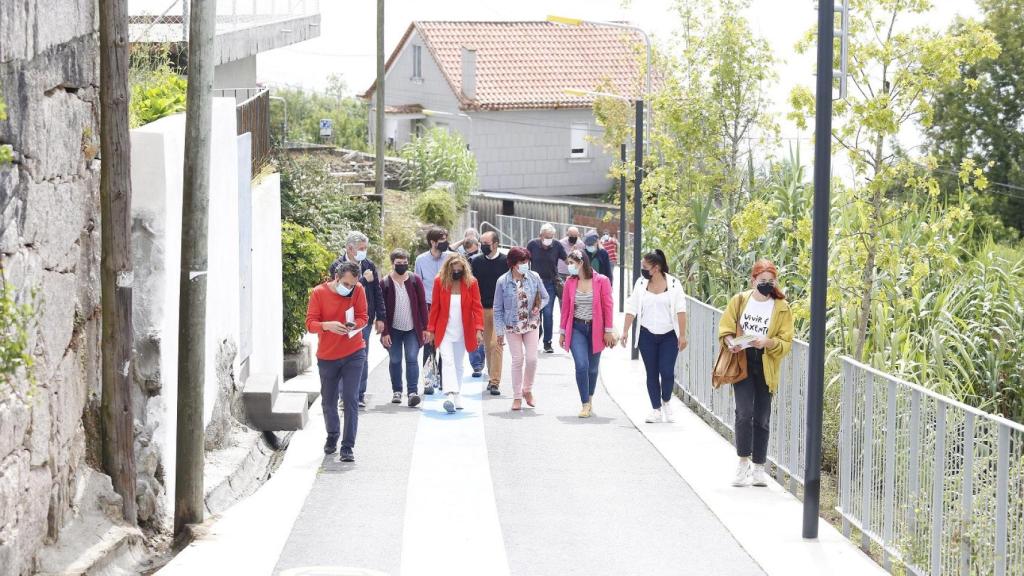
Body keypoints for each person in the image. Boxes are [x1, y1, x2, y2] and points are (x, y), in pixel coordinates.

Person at [719, 260, 794, 488]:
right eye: (763, 282)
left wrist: (768, 342)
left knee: (762, 417)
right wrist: (731, 341)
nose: (767, 285)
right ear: (753, 281)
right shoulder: (740, 301)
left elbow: (786, 342)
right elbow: (725, 328)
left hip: (766, 364)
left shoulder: (781, 307)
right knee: (744, 413)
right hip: (742, 361)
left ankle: (759, 466)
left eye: (771, 282)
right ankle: (743, 462)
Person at [305, 260, 368, 462]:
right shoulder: (319, 292)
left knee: (350, 399)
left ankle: (348, 446)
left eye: (353, 285)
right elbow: (310, 324)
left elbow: (363, 317)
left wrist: (353, 325)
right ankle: (332, 435)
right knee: (328, 401)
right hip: (327, 356)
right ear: (337, 278)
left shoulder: (358, 290)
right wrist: (327, 325)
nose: (350, 289)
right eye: (346, 284)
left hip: (354, 352)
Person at [620, 250, 688, 424]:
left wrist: (682, 335)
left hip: (669, 336)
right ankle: (656, 408)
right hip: (646, 335)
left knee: (666, 372)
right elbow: (632, 307)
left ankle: (666, 401)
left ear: (656, 268)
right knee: (651, 372)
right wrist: (625, 331)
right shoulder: (641, 283)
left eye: (645, 267)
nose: (642, 270)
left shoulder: (673, 284)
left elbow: (681, 310)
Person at [332, 231, 386, 409]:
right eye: (361, 249)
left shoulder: (369, 264)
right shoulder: (337, 266)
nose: (364, 251)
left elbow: (377, 292)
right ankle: (343, 396)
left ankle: (360, 394)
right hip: (343, 319)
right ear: (350, 248)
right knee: (343, 357)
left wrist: (381, 316)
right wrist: (363, 279)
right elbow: (342, 290)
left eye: (365, 248)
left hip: (364, 318)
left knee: (362, 357)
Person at [559, 250, 616, 418]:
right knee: (582, 365)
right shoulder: (570, 282)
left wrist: (608, 330)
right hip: (577, 328)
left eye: (572, 263)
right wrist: (562, 332)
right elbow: (565, 309)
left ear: (581, 263)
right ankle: (584, 403)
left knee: (592, 368)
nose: (569, 267)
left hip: (596, 329)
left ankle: (590, 399)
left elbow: (608, 306)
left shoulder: (602, 281)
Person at [425, 254, 484, 414]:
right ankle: (449, 395)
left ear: (464, 269)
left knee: (459, 364)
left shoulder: (472, 283)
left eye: (459, 269)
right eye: (454, 269)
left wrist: (479, 329)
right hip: (444, 330)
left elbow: (477, 307)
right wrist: (430, 329)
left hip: (464, 330)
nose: (456, 271)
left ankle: (457, 394)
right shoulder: (439, 282)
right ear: (448, 268)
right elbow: (435, 307)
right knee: (448, 361)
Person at [493, 247, 549, 411]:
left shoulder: (534, 277)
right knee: (517, 360)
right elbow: (497, 308)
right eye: (522, 262)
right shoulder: (502, 281)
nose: (525, 265)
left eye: (527, 261)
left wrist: (538, 307)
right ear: (513, 264)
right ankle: (517, 396)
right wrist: (499, 332)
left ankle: (527, 390)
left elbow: (545, 297)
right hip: (512, 326)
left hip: (531, 323)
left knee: (532, 359)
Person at [381, 249, 429, 407]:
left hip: (412, 329)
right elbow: (382, 310)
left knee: (411, 359)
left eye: (404, 263)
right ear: (392, 263)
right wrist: (385, 332)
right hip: (393, 329)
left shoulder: (415, 280)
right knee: (395, 360)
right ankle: (397, 391)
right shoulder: (385, 282)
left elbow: (422, 305)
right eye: (398, 263)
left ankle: (413, 392)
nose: (402, 266)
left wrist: (425, 328)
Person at [471, 231, 507, 395]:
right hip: (481, 309)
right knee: (487, 345)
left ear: (496, 243)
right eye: (481, 243)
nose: (483, 246)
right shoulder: (475, 262)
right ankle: (492, 375)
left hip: (500, 309)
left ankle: (494, 382)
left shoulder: (506, 261)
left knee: (496, 344)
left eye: (486, 243)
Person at [526, 223, 567, 354]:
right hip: (534, 284)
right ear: (540, 236)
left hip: (550, 283)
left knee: (548, 313)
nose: (549, 239)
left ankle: (547, 343)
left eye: (551, 236)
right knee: (535, 312)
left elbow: (567, 259)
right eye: (547, 236)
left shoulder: (557, 245)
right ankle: (537, 335)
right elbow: (524, 259)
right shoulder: (532, 244)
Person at [415, 227, 452, 372]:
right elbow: (418, 284)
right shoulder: (421, 260)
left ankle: (444, 378)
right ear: (432, 242)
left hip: (446, 305)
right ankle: (429, 378)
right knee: (429, 342)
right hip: (428, 305)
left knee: (445, 341)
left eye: (445, 239)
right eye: (441, 240)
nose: (445, 242)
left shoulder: (450, 258)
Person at [557, 226, 582, 294]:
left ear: (578, 235)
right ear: (567, 234)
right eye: (571, 235)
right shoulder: (561, 243)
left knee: (573, 296)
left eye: (575, 235)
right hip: (562, 273)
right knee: (562, 296)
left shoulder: (580, 244)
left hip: (574, 273)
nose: (573, 237)